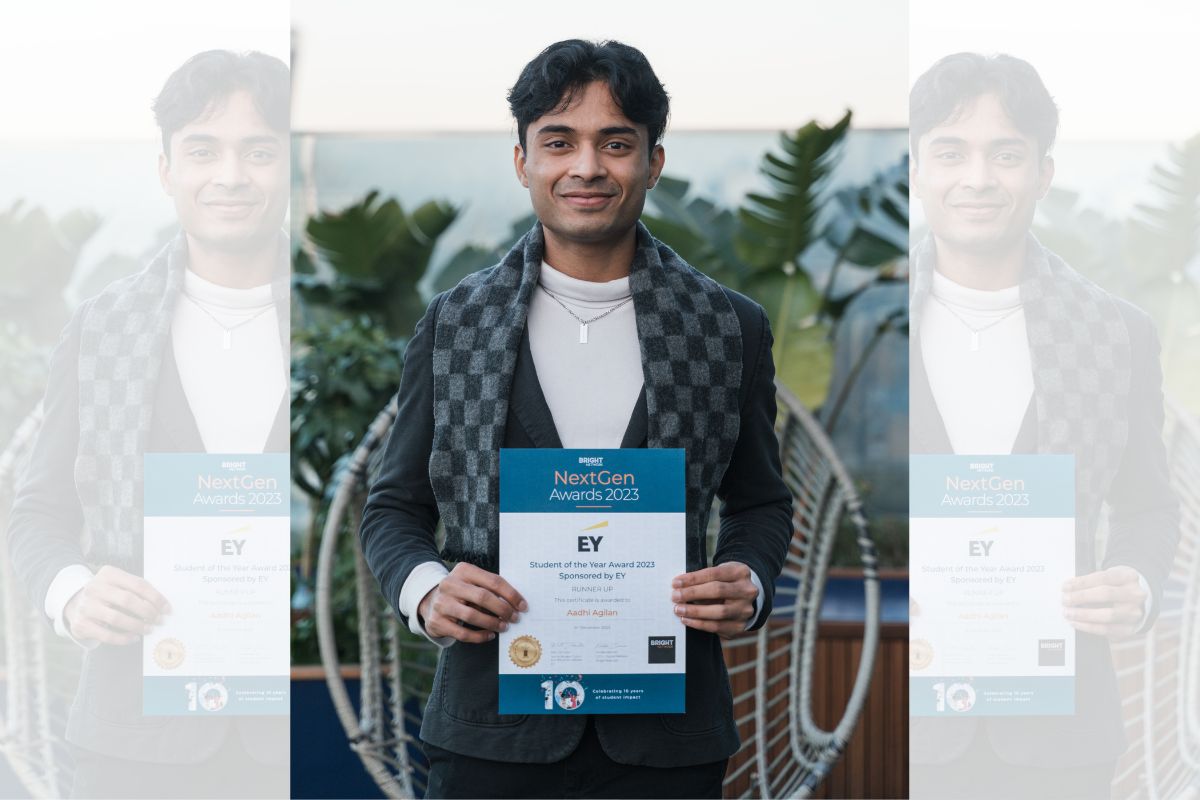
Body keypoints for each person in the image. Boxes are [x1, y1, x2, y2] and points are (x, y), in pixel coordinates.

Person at [359, 39, 793, 799]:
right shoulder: (457, 323)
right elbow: (394, 505)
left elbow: (760, 501)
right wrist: (425, 589)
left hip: (666, 739)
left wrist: (749, 582)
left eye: (615, 143)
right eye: (559, 142)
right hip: (492, 728)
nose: (587, 167)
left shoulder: (728, 327)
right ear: (523, 161)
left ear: (653, 162)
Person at [6, 49, 291, 798]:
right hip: (132, 742)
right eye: (203, 150)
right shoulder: (102, 327)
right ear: (167, 170)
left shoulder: (335, 327)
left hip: (301, 735)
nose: (230, 175)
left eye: (259, 151)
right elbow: (37, 510)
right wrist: (70, 590)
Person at [908, 52, 1180, 799]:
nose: (978, 178)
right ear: (918, 170)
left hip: (1062, 736)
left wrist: (1138, 584)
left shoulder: (1116, 332)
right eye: (951, 152)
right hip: (900, 724)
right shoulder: (870, 330)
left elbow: (1148, 504)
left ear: (1042, 173)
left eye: (1006, 155)